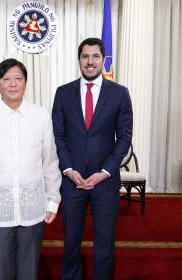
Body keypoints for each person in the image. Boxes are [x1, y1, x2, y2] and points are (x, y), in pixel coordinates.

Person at [0, 58, 61, 280]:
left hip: (33, 209)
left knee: (29, 273)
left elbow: (50, 162)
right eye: (6, 79)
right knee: (0, 273)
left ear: (26, 83)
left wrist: (53, 200)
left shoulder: (42, 117)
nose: (13, 84)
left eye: (18, 78)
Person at [52, 38, 133, 280]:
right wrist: (67, 169)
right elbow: (58, 135)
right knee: (71, 244)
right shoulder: (63, 92)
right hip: (72, 180)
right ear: (79, 60)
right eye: (85, 56)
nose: (90, 61)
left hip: (105, 182)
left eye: (95, 56)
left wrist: (105, 172)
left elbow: (124, 138)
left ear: (103, 60)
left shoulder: (119, 93)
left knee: (104, 245)